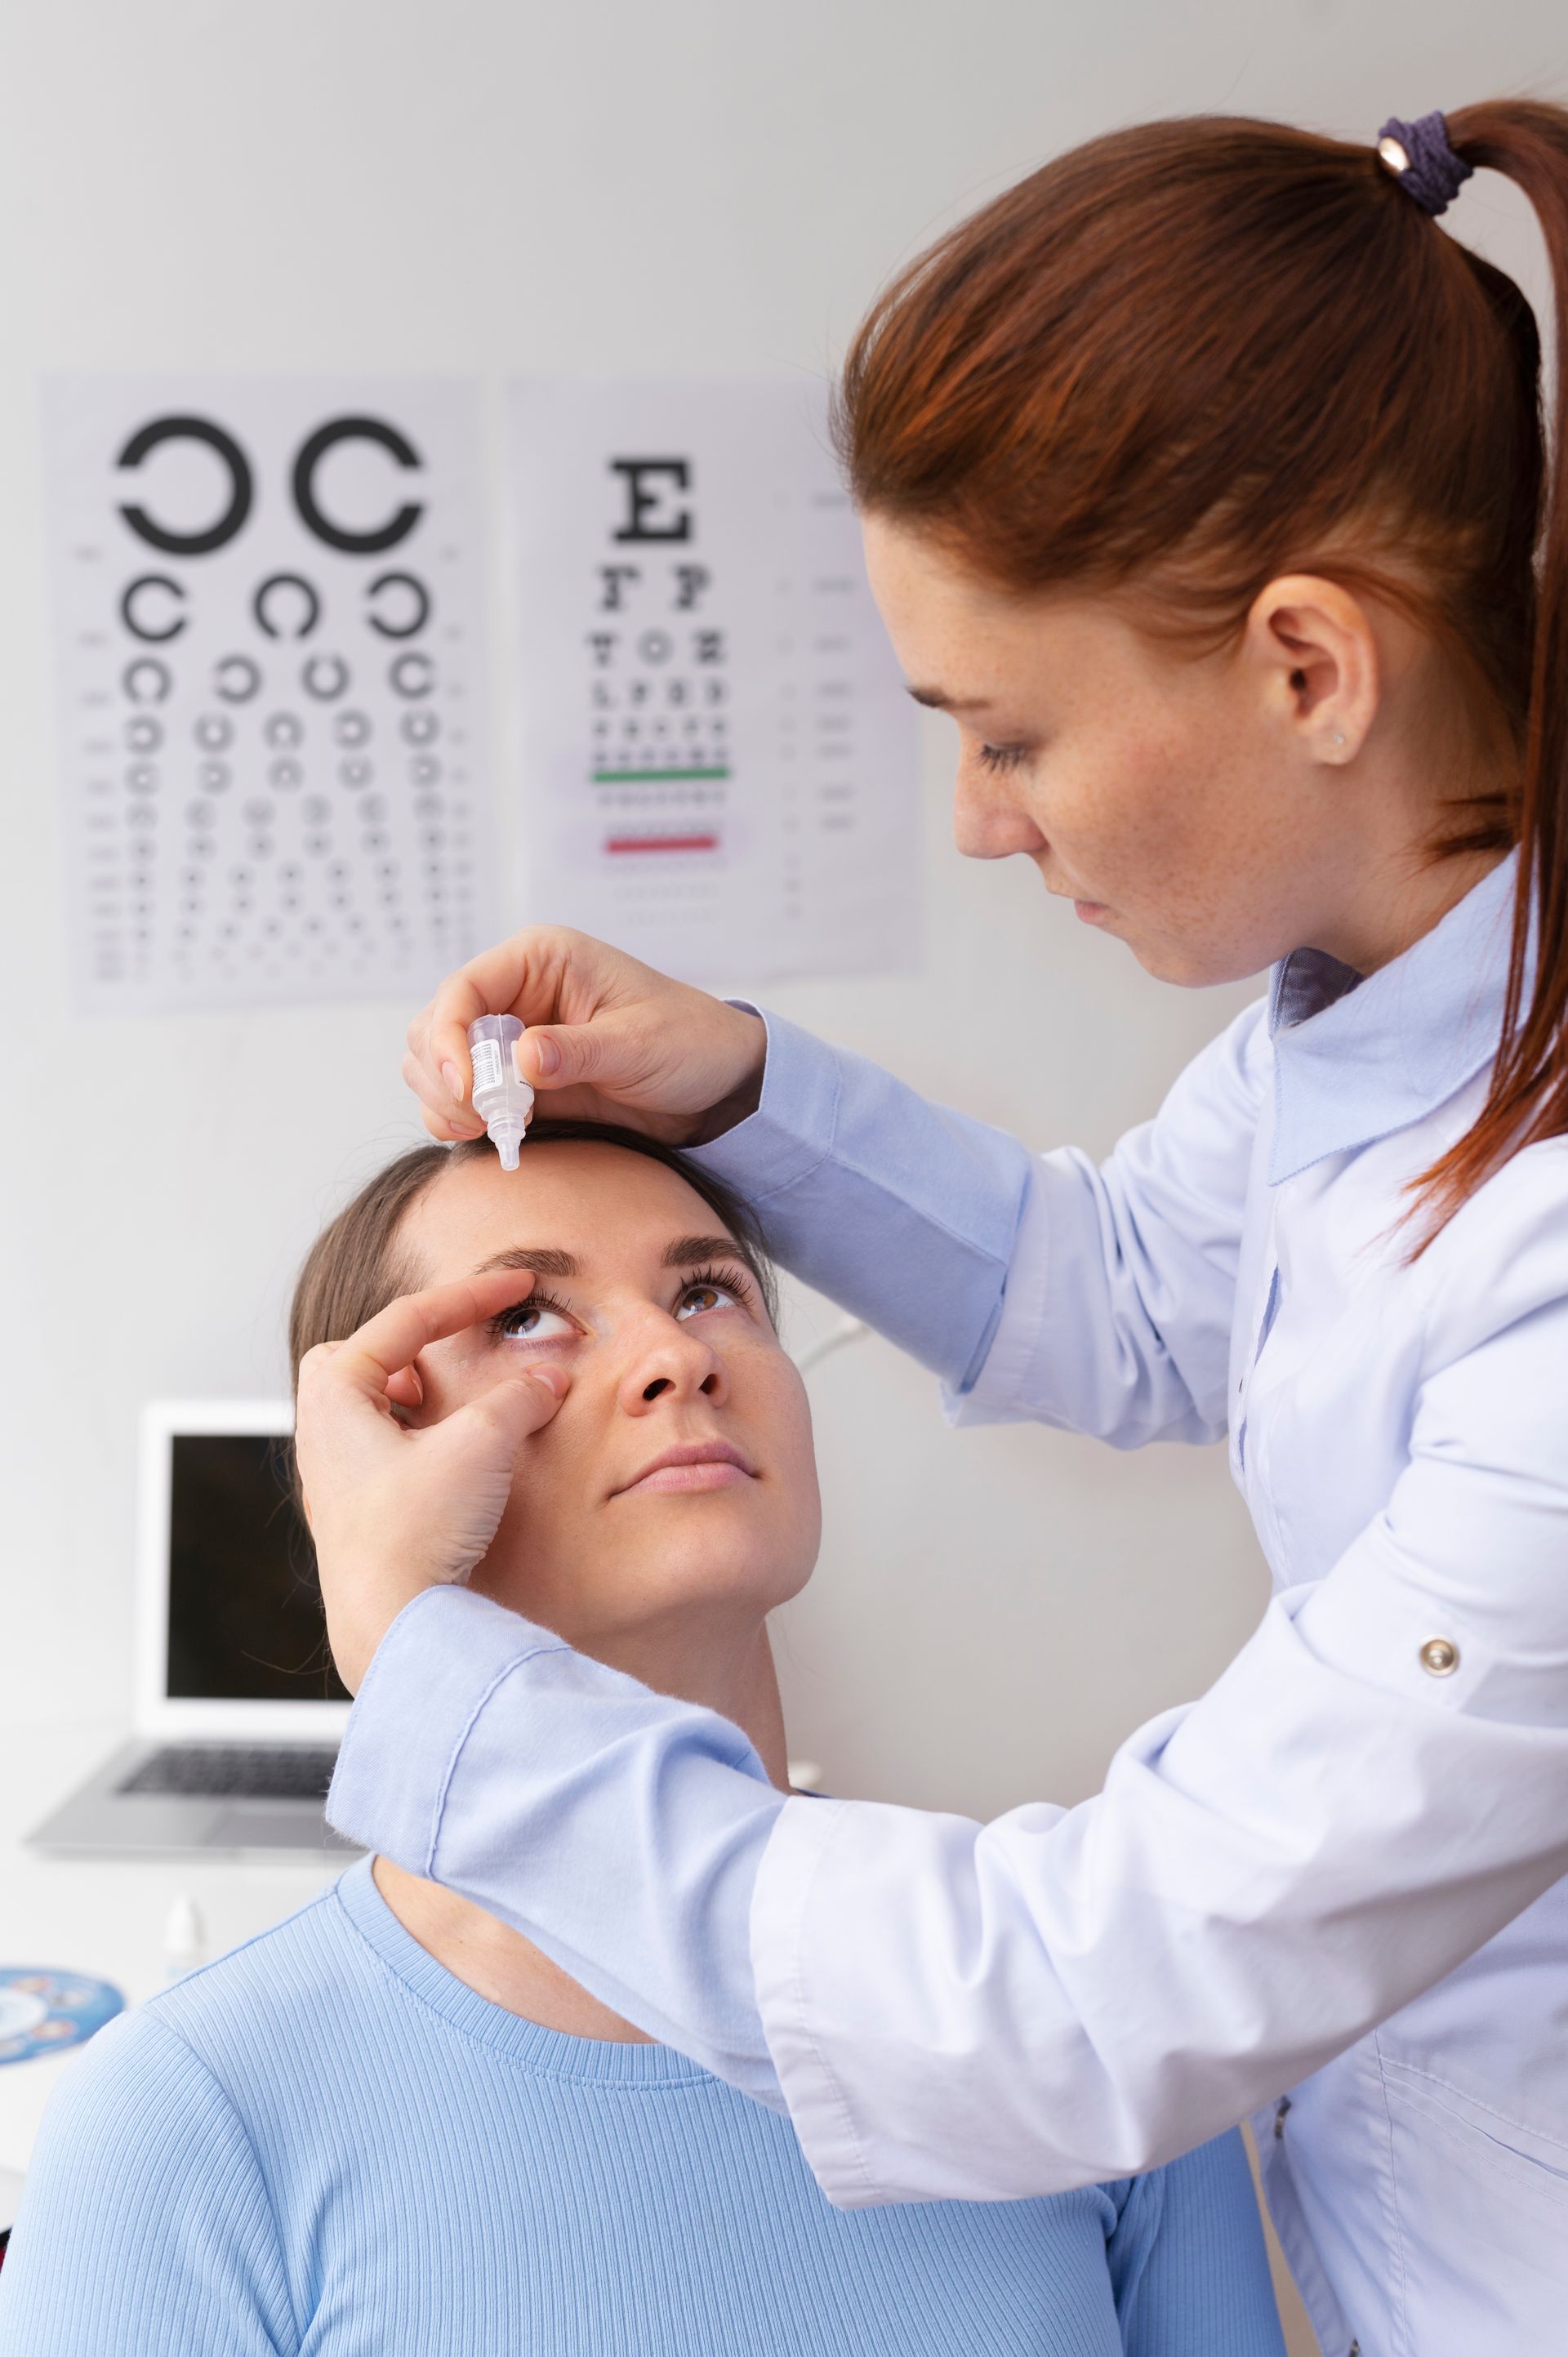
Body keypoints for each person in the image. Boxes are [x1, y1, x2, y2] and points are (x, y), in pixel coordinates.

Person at [301, 103, 1568, 2357]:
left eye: (1011, 733)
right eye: (529, 1316)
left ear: (1306, 666)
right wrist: (748, 1090)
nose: (977, 824)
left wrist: (436, 1672)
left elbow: (1078, 2000)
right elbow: (1122, 1290)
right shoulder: (1358, 1030)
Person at [0, 1126, 1285, 2357]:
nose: (676, 1352)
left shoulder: (1074, 1986)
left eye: (712, 1289)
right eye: (526, 1315)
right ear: (369, 1465)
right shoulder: (186, 2121)